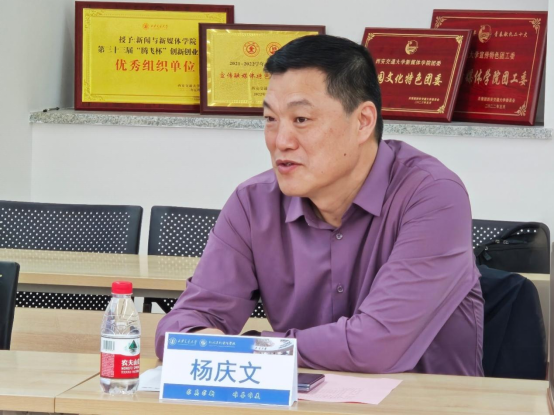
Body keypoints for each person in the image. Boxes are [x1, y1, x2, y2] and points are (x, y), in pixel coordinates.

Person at [156, 35, 484, 376]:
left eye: (301, 119)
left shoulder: (432, 196)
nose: (281, 141)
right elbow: (181, 327)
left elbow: (375, 346)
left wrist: (248, 349)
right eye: (270, 119)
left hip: (425, 399)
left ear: (363, 121)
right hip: (304, 399)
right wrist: (202, 337)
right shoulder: (253, 203)